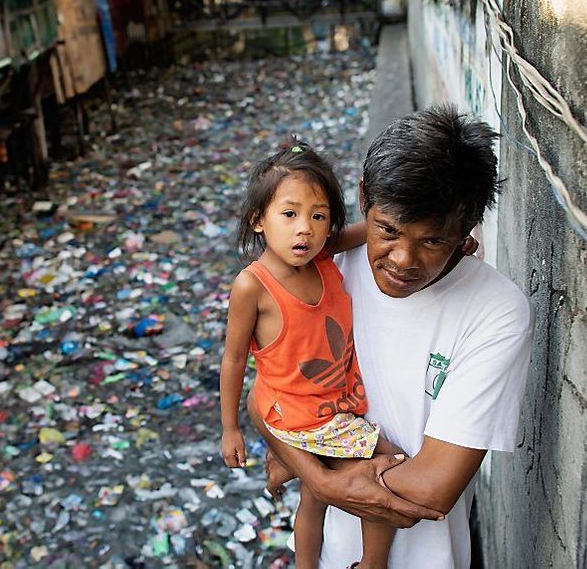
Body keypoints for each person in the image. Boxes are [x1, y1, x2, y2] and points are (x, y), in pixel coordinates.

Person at [247, 105, 533, 568]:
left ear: (467, 230)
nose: (403, 259)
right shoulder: (324, 270)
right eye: (388, 230)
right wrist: (313, 474)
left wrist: (315, 473)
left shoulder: (495, 312)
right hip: (325, 550)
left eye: (433, 241)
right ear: (364, 198)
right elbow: (261, 398)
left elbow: (432, 488)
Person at [218, 143, 402, 569]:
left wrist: (436, 238)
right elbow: (232, 360)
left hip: (323, 406)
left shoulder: (320, 256)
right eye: (289, 214)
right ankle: (373, 565)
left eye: (318, 216)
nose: (305, 228)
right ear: (258, 220)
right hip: (306, 416)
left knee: (315, 500)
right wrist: (230, 428)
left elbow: (372, 230)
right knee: (387, 469)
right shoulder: (253, 286)